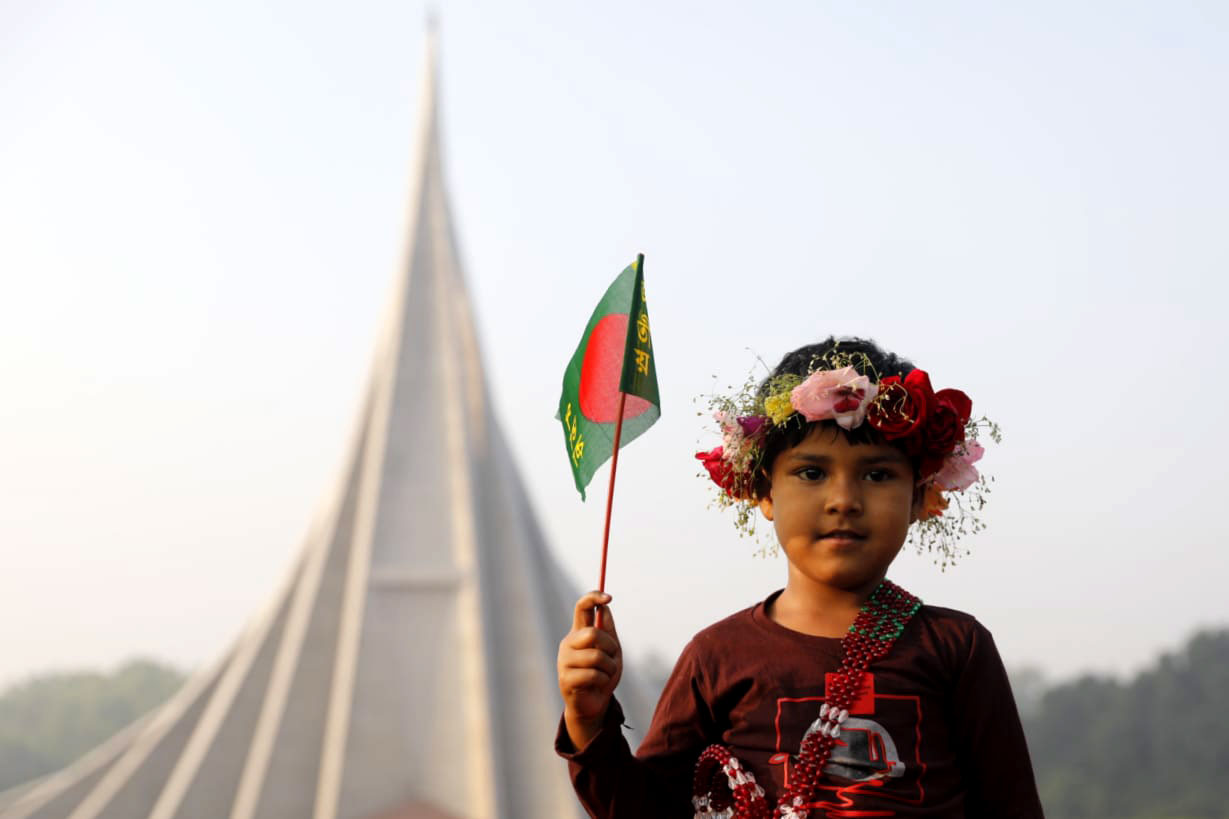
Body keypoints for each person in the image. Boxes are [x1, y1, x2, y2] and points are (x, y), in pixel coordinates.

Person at [555, 337, 1045, 818]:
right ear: (764, 492)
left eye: (877, 475)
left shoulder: (956, 649)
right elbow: (647, 810)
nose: (843, 500)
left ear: (919, 498)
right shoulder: (718, 657)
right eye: (812, 473)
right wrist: (588, 717)